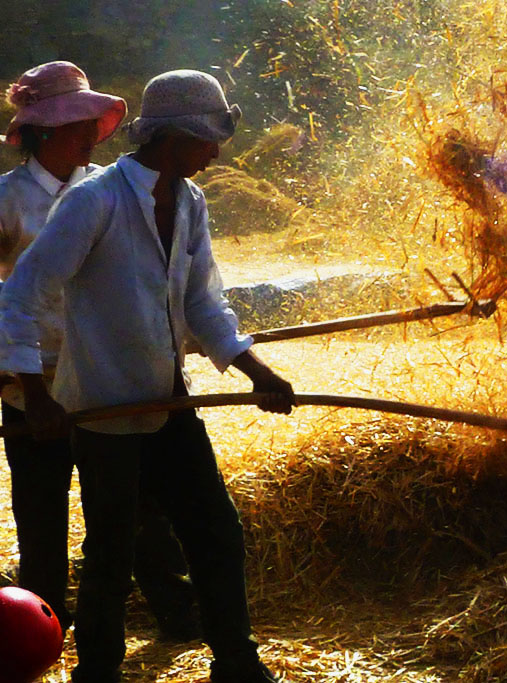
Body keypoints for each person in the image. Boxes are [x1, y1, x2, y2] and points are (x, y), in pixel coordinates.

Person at [0, 69, 295, 683]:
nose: (216, 152)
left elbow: (201, 304)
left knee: (215, 530)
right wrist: (35, 392)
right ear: (174, 136)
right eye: (208, 138)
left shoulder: (188, 202)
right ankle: (98, 673)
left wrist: (254, 369)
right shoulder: (94, 201)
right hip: (105, 412)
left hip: (167, 402)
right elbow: (22, 296)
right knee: (111, 550)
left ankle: (236, 663)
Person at [0, 60, 200, 639]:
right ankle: (40, 628)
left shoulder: (108, 189)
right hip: (33, 383)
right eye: (74, 123)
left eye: (92, 120)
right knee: (42, 517)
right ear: (41, 132)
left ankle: (176, 612)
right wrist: (17, 376)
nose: (89, 133)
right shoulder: (8, 201)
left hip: (103, 378)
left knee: (137, 509)